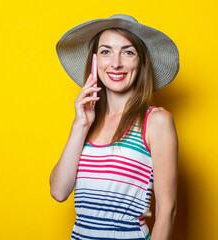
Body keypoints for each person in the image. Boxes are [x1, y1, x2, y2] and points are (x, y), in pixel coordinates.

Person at [50, 14, 178, 240]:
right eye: (105, 51)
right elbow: (59, 191)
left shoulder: (156, 121)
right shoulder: (87, 122)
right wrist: (80, 124)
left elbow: (167, 210)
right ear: (94, 61)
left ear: (141, 61)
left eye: (128, 52)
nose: (115, 63)